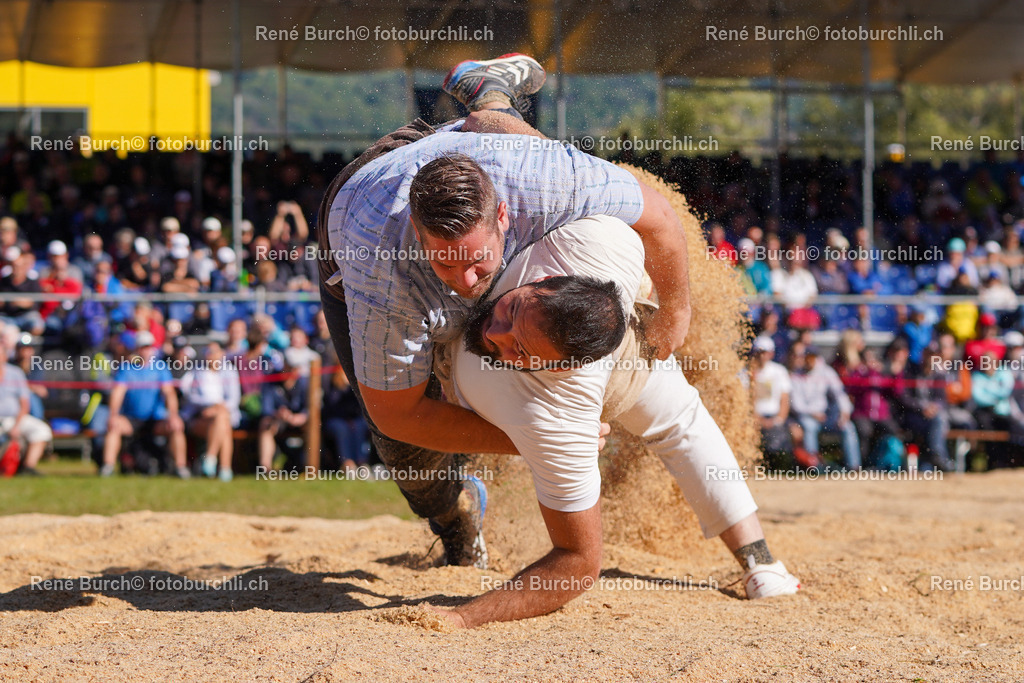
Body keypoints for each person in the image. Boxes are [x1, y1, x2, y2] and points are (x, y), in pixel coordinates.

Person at [317, 54, 693, 568]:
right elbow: (397, 414)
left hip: (471, 146)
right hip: (364, 194)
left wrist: (675, 311)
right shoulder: (383, 272)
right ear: (420, 238)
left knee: (514, 143)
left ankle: (490, 102)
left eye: (477, 262)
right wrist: (535, 440)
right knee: (404, 453)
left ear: (503, 216)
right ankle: (454, 521)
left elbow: (661, 217)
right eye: (446, 265)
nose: (466, 282)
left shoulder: (549, 181)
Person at [426, 215, 798, 630]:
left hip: (614, 370)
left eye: (520, 349)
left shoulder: (556, 416)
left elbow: (578, 562)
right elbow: (657, 215)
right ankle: (761, 563)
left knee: (678, 419)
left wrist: (462, 617)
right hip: (621, 331)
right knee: (681, 421)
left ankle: (759, 559)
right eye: (512, 311)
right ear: (547, 279)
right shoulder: (598, 243)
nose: (497, 333)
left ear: (557, 369)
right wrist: (675, 309)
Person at [100, 331, 188, 477]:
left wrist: (173, 416)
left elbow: (169, 394)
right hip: (131, 419)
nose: (145, 350)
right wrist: (113, 415)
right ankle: (108, 466)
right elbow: (117, 394)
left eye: (148, 347)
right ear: (137, 349)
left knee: (176, 426)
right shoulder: (126, 368)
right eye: (142, 347)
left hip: (155, 420)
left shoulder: (160, 368)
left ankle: (181, 467)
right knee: (114, 426)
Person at [787, 343, 861, 470]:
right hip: (806, 416)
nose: (810, 360)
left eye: (812, 357)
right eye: (807, 357)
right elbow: (796, 405)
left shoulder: (826, 372)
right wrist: (813, 413)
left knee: (848, 427)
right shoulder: (795, 375)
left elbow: (840, 394)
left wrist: (845, 411)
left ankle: (854, 467)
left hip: (826, 416)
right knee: (809, 426)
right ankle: (814, 466)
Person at [180, 341, 240, 481]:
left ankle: (210, 458)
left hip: (224, 414)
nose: (210, 355)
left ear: (222, 353)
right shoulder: (197, 371)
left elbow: (234, 399)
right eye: (208, 352)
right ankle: (225, 469)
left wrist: (218, 407)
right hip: (201, 416)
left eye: (213, 352)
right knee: (224, 425)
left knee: (222, 419)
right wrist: (210, 406)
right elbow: (191, 396)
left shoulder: (229, 371)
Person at [0, 331, 52, 475]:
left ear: (5, 356)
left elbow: (25, 404)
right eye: (22, 348)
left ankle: (28, 468)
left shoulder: (16, 373)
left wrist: (16, 426)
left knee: (42, 430)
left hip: (13, 419)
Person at [257, 357, 309, 472]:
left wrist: (301, 417)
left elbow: (311, 408)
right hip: (277, 421)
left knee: (313, 426)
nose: (286, 372)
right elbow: (266, 409)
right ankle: (265, 468)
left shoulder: (304, 383)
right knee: (266, 425)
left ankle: (309, 466)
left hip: (299, 421)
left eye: (290, 369)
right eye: (285, 368)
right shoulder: (271, 381)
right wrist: (279, 414)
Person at [749, 336, 793, 469]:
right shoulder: (747, 372)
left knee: (779, 443)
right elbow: (746, 400)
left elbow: (784, 399)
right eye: (759, 352)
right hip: (754, 418)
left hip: (774, 417)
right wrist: (757, 419)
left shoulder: (779, 371)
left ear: (771, 353)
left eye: (764, 352)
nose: (762, 356)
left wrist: (778, 419)